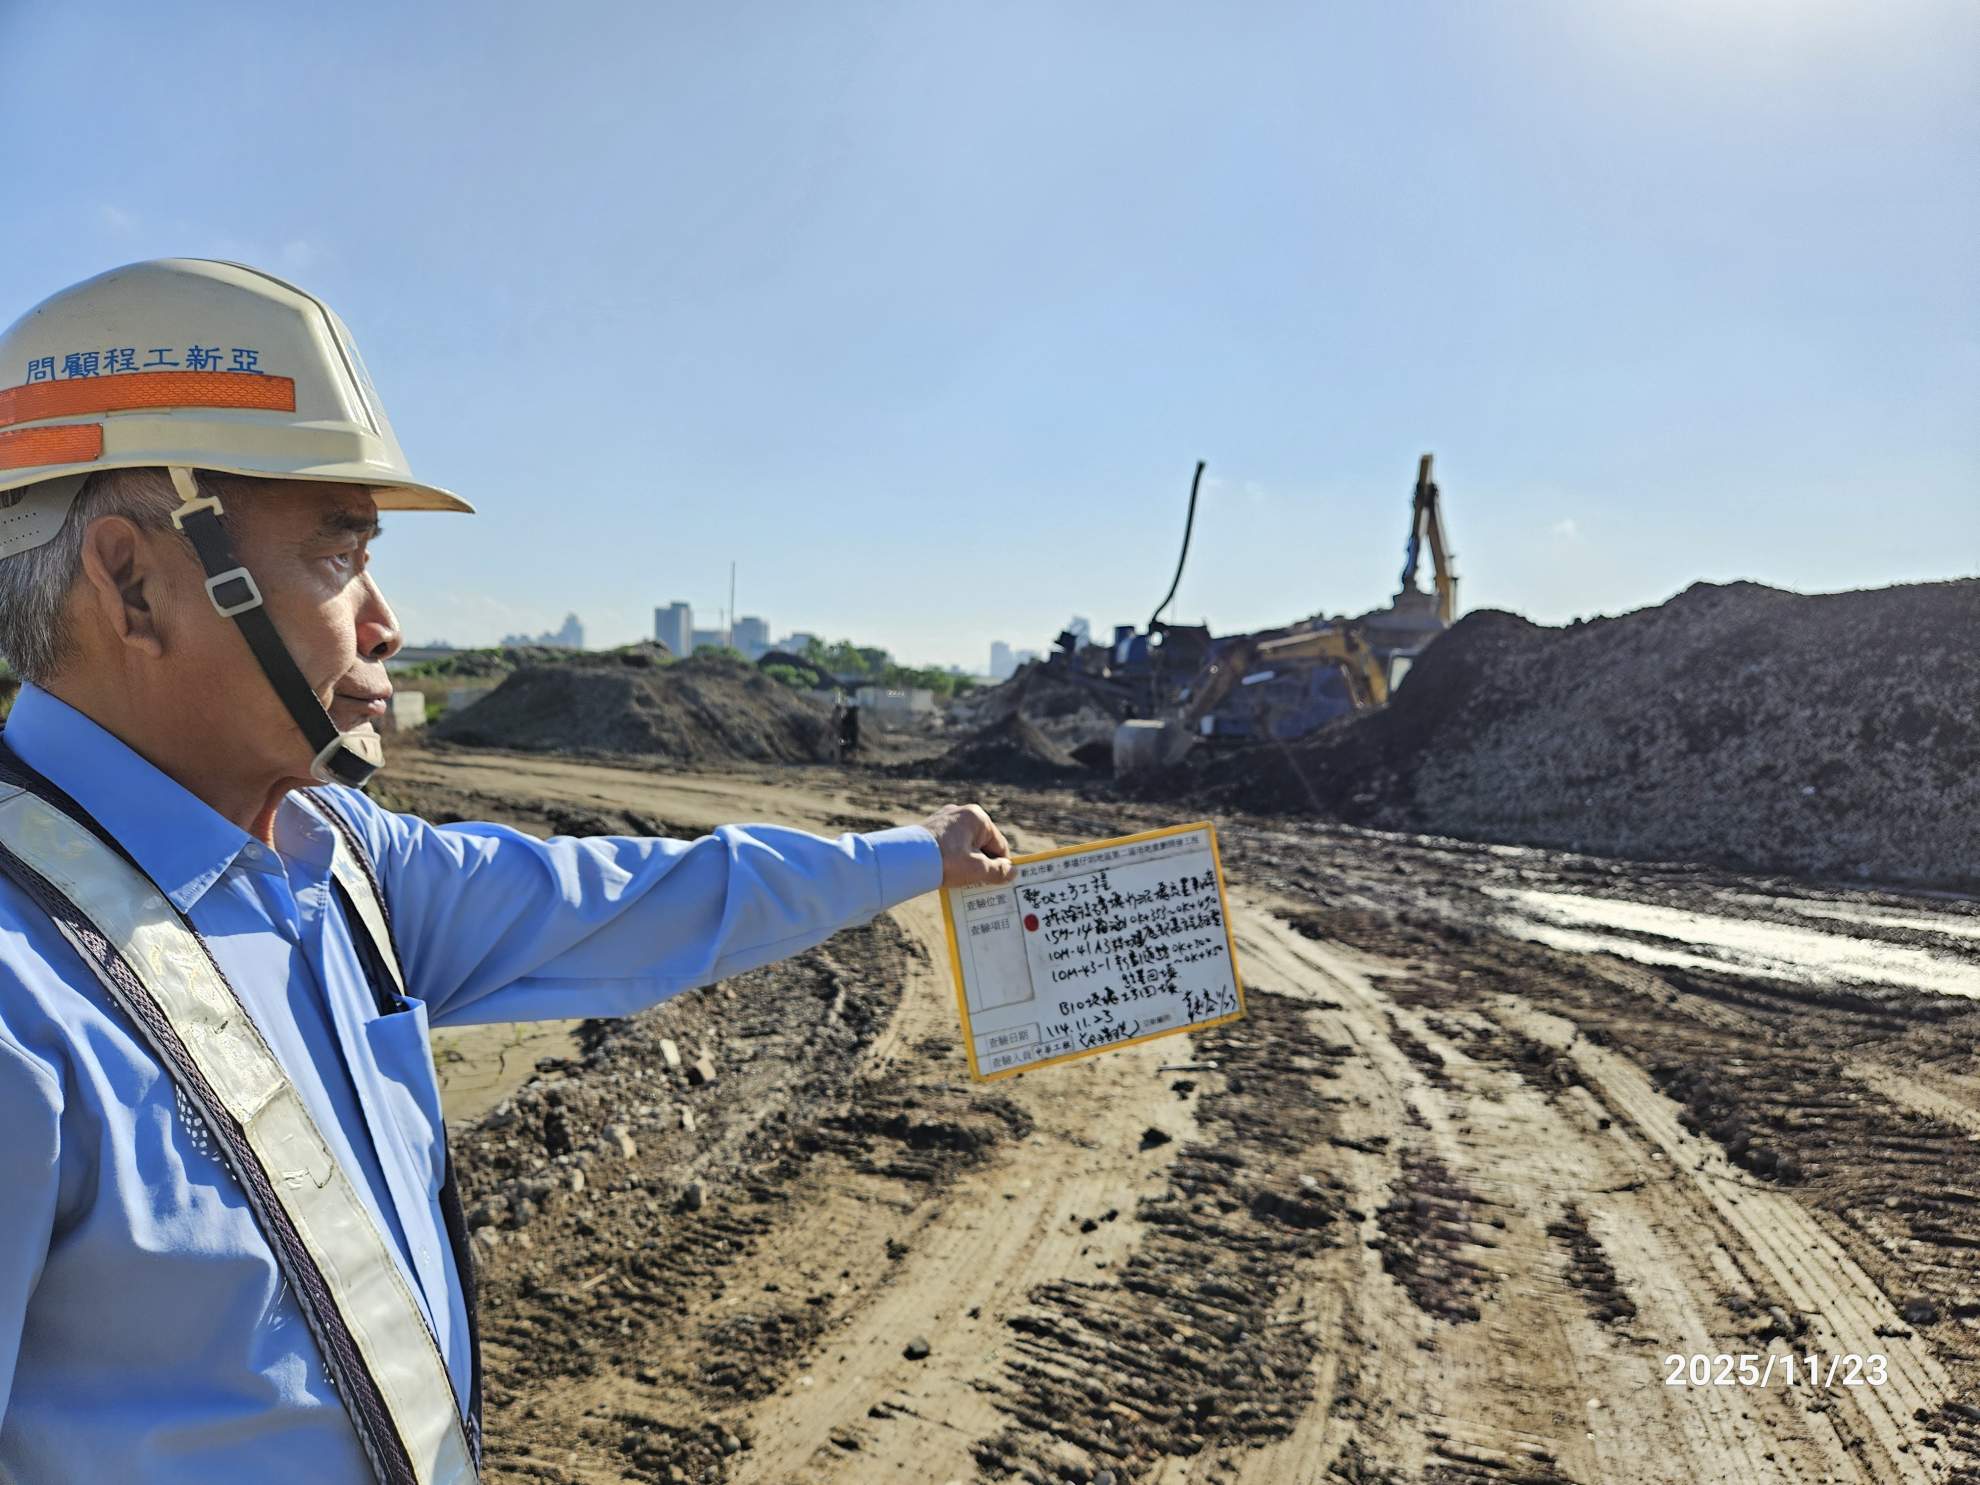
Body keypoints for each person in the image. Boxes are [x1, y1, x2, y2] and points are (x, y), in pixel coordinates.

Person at [0, 259, 1015, 1485]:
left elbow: (645, 899)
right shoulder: (20, 1001)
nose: (386, 627)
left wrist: (913, 857)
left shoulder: (337, 866)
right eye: (341, 556)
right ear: (135, 585)